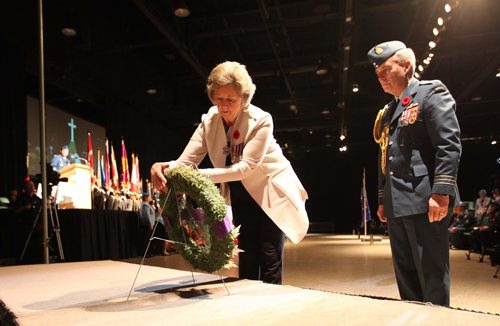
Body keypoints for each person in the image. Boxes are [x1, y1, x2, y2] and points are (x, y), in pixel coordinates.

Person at [151, 61, 309, 284]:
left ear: (243, 99)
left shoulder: (261, 120)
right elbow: (185, 161)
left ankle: (272, 311)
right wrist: (163, 166)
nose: (223, 106)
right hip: (242, 193)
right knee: (247, 255)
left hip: (271, 192)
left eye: (230, 100)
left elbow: (244, 168)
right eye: (219, 98)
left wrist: (197, 177)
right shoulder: (209, 121)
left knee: (269, 256)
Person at [369, 41, 461, 306]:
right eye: (377, 73)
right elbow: (385, 155)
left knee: (431, 276)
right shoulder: (389, 111)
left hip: (425, 201)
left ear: (406, 65)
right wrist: (383, 198)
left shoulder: (431, 93)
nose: (380, 76)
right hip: (397, 203)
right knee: (407, 279)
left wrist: (442, 193)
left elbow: (448, 145)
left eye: (386, 69)